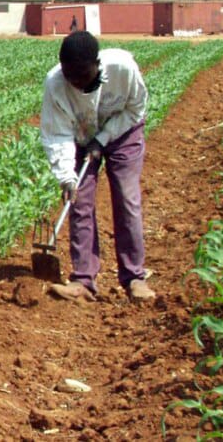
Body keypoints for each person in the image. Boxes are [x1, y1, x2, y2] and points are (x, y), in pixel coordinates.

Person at [40, 31, 154, 302]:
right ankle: (82, 279)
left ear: (97, 64)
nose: (76, 83)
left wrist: (102, 140)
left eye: (82, 75)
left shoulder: (122, 69)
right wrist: (67, 176)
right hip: (78, 135)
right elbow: (57, 135)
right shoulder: (55, 85)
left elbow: (135, 109)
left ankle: (134, 277)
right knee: (78, 201)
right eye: (70, 76)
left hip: (123, 131)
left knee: (126, 197)